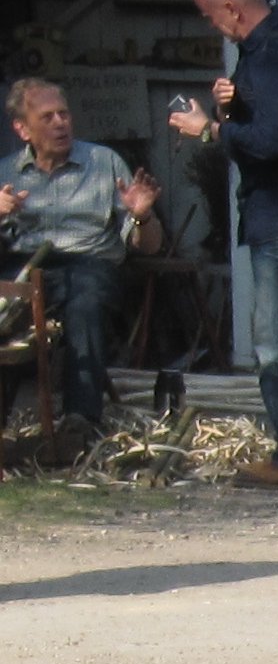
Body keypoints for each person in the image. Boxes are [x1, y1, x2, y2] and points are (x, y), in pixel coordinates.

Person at [166, 0, 278, 488]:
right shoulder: (274, 48)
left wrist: (211, 130)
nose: (212, 25)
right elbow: (272, 124)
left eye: (212, 15)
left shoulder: (273, 58)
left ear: (233, 9)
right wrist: (236, 106)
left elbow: (271, 142)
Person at [0, 78, 163, 448]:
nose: (60, 123)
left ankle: (79, 420)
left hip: (89, 263)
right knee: (6, 311)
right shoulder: (5, 173)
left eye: (64, 113)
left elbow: (150, 248)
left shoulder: (103, 163)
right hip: (26, 266)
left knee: (85, 304)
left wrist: (142, 217)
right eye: (47, 117)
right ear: (22, 129)